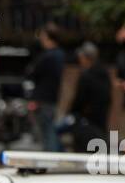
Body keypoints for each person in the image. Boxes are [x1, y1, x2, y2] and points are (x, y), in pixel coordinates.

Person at [27, 23, 66, 152]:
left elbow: (33, 73)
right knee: (49, 130)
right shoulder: (59, 55)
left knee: (47, 132)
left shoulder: (48, 56)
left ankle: (51, 158)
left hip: (43, 100)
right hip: (51, 98)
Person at [68, 42, 111, 152]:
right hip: (101, 119)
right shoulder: (104, 73)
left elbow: (80, 99)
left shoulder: (86, 76)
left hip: (86, 121)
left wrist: (73, 112)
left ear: (85, 58)